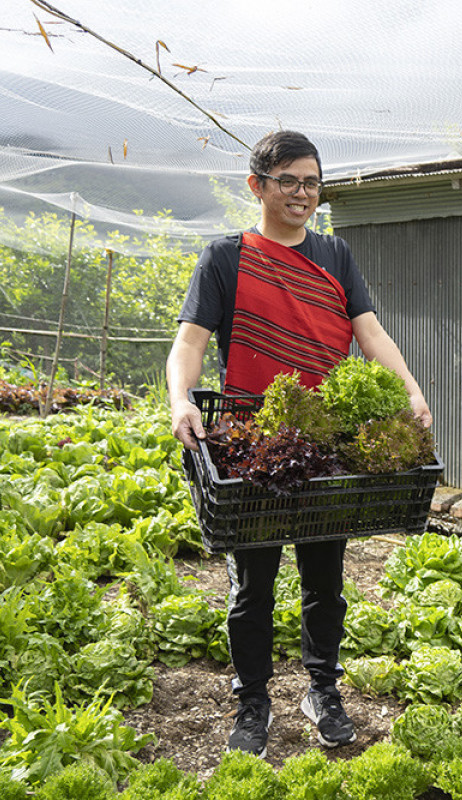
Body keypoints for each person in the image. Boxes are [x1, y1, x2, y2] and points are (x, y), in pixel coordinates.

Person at [166, 130, 431, 758]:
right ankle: (252, 702)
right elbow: (189, 345)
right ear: (257, 185)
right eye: (289, 181)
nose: (303, 194)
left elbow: (371, 334)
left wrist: (411, 392)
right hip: (249, 443)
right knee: (251, 586)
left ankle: (321, 690)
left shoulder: (335, 256)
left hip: (322, 444)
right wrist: (181, 398)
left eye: (312, 182)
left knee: (325, 580)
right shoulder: (226, 258)